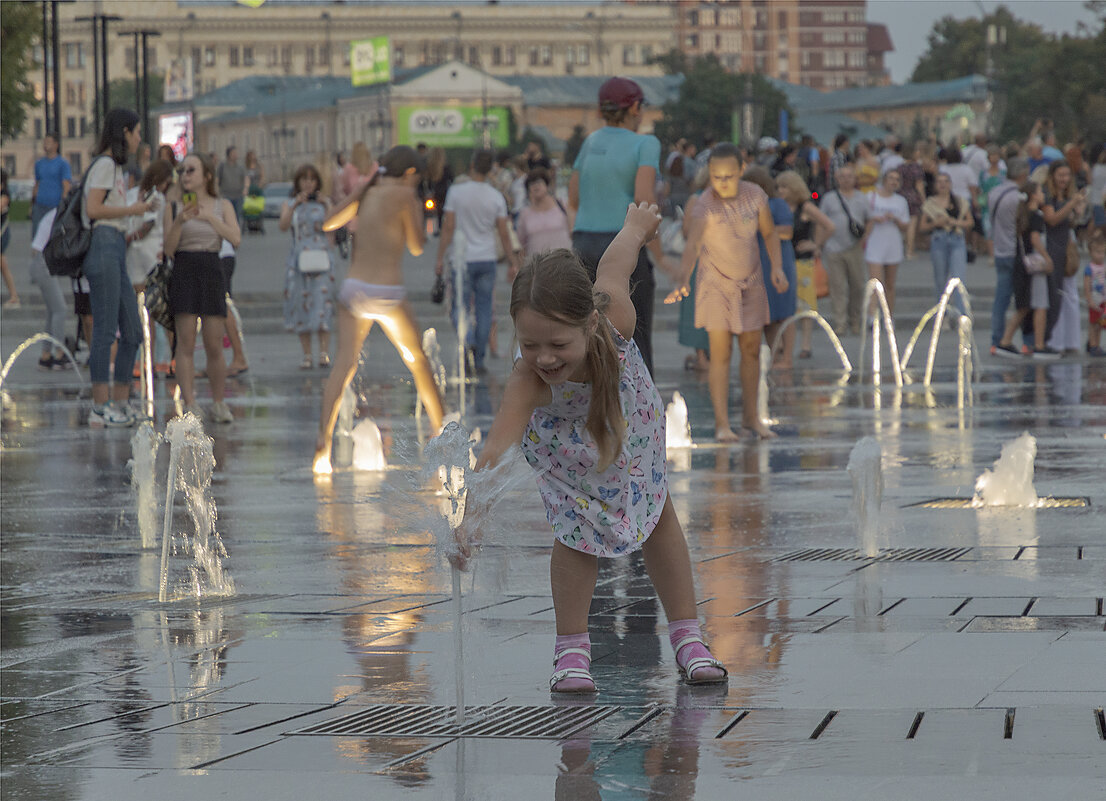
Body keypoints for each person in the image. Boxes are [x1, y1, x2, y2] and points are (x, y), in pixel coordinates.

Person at [453, 202, 727, 693]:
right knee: (574, 531)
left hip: (630, 422)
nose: (543, 357)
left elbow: (614, 263)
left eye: (557, 343)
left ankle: (689, 638)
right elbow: (494, 449)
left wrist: (635, 227)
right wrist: (471, 519)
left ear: (588, 322)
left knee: (658, 513)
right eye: (529, 343)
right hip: (565, 446)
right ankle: (572, 650)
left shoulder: (614, 318)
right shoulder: (528, 378)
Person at [313, 146, 445, 475]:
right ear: (411, 174)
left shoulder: (367, 191)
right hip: (387, 292)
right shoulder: (405, 195)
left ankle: (322, 446)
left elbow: (328, 223)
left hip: (353, 289)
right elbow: (416, 246)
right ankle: (443, 434)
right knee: (418, 362)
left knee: (344, 365)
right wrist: (416, 213)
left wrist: (359, 191)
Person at [667, 145, 785, 441]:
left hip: (752, 282)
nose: (722, 183)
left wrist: (777, 268)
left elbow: (769, 233)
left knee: (751, 350)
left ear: (741, 171)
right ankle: (723, 424)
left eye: (729, 176)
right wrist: (683, 279)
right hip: (716, 285)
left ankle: (751, 419)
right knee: (720, 353)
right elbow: (693, 245)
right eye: (717, 177)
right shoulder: (704, 204)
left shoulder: (756, 196)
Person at [569, 77, 676, 377]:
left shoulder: (590, 142)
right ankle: (640, 416)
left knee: (590, 332)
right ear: (635, 108)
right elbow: (644, 200)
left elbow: (574, 197)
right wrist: (661, 256)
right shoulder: (646, 143)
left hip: (583, 244)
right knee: (633, 336)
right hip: (623, 245)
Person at [83, 109, 159, 427]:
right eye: (137, 132)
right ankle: (99, 408)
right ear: (124, 132)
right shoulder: (104, 164)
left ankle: (122, 402)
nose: (140, 138)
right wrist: (135, 208)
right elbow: (93, 209)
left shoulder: (114, 167)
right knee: (104, 328)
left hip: (115, 246)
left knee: (131, 330)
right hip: (103, 245)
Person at [162, 152, 240, 423]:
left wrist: (210, 218)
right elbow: (169, 250)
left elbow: (236, 238)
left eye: (191, 170)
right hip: (184, 267)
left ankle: (219, 403)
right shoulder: (172, 207)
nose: (185, 175)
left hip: (211, 267)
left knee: (214, 343)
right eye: (183, 170)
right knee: (185, 342)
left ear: (206, 176)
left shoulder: (222, 205)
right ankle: (191, 402)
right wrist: (180, 221)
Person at [435, 149, 518, 375]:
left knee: (458, 306)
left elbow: (449, 227)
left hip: (461, 259)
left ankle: (469, 339)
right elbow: (503, 232)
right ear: (489, 168)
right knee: (483, 309)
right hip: (487, 258)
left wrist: (440, 257)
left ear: (472, 165)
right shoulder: (495, 196)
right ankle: (479, 359)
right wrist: (512, 261)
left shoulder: (456, 192)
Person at [280, 164, 336, 369]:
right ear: (298, 182)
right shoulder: (290, 203)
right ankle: (306, 355)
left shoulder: (324, 203)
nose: (308, 183)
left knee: (323, 305)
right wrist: (295, 205)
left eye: (312, 179)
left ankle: (323, 353)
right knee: (301, 306)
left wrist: (327, 206)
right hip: (298, 259)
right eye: (304, 179)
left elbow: (333, 226)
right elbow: (283, 226)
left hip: (321, 257)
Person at [777, 170, 835, 359]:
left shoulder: (805, 207)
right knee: (784, 304)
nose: (780, 191)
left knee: (806, 304)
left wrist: (816, 244)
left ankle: (806, 345)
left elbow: (829, 225)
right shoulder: (778, 207)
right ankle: (782, 343)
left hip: (802, 259)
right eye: (778, 187)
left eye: (784, 187)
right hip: (783, 258)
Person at [742, 166, 796, 368]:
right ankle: (774, 355)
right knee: (768, 315)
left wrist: (760, 226)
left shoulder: (777, 204)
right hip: (756, 266)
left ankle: (788, 357)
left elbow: (787, 231)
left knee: (785, 312)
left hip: (777, 262)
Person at [995, 181, 1055, 359]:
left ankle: (1006, 341)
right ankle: (1038, 345)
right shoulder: (1035, 215)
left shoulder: (1023, 214)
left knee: (1024, 306)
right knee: (1039, 304)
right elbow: (1035, 239)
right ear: (1033, 195)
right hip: (1034, 264)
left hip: (1022, 264)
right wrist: (1047, 258)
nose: (1043, 194)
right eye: (1040, 191)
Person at [1041, 160, 1088, 349]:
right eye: (1061, 175)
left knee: (1069, 294)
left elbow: (1069, 222)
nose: (1064, 179)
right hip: (1051, 246)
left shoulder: (1068, 195)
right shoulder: (1047, 195)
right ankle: (1054, 340)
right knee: (1055, 294)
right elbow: (1051, 219)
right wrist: (1072, 205)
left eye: (1067, 175)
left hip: (1066, 246)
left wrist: (1078, 212)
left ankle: (1070, 340)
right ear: (1052, 176)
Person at [819, 164, 869, 335]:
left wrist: (864, 240)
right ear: (837, 179)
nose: (846, 179)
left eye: (849, 176)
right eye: (842, 176)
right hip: (833, 248)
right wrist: (819, 244)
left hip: (855, 247)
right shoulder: (829, 198)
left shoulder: (862, 198)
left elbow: (870, 220)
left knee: (857, 286)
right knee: (837, 287)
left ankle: (855, 320)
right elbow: (821, 221)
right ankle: (840, 322)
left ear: (855, 179)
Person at [987, 159, 1031, 354]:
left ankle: (996, 339)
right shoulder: (1018, 197)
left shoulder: (994, 193)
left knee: (1001, 299)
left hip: (999, 250)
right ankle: (1025, 340)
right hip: (1014, 251)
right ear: (1022, 174)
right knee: (1023, 298)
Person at [919, 172, 972, 321]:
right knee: (940, 279)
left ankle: (963, 315)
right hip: (938, 240)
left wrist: (954, 222)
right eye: (939, 182)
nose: (943, 185)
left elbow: (970, 222)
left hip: (956, 239)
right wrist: (935, 223)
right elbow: (922, 227)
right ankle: (942, 315)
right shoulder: (930, 204)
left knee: (958, 278)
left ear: (950, 184)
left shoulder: (959, 201)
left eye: (946, 181)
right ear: (935, 185)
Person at [862, 169, 910, 317]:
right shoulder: (871, 196)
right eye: (891, 178)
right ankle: (872, 315)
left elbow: (905, 225)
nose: (893, 182)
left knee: (890, 284)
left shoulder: (901, 201)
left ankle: (889, 316)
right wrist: (875, 218)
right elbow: (862, 218)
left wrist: (895, 219)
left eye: (897, 179)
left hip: (893, 243)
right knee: (875, 282)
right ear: (884, 180)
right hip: (875, 242)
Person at [28, 206, 69, 369]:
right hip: (42, 263)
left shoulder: (55, 213)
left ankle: (46, 355)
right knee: (60, 309)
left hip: (42, 263)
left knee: (53, 311)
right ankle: (59, 353)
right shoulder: (60, 214)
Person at [515, 169, 571, 258]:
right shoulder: (524, 214)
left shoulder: (563, 205)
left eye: (539, 182)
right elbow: (521, 242)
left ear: (547, 185)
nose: (536, 186)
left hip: (563, 262)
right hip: (537, 265)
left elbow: (572, 231)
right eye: (532, 184)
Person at [31, 132, 72, 234]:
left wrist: (63, 205)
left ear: (56, 145)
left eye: (48, 142)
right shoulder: (39, 164)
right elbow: (37, 183)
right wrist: (33, 203)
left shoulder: (63, 164)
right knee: (38, 236)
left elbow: (66, 185)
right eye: (44, 142)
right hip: (40, 206)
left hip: (55, 206)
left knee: (53, 236)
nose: (45, 144)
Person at [898, 142, 927, 259]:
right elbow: (919, 185)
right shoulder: (916, 167)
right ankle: (909, 250)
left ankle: (903, 247)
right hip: (913, 196)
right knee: (912, 224)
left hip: (901, 195)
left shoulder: (900, 167)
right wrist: (924, 199)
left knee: (903, 224)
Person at [1084, 232, 1106, 357]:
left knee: (1100, 323)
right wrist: (1089, 299)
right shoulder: (1090, 268)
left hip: (1102, 300)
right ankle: (1092, 345)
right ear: (1091, 252)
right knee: (1093, 323)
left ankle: (1097, 345)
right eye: (1098, 252)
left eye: (1103, 252)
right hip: (1094, 299)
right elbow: (1087, 285)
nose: (1100, 255)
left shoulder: (1103, 267)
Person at [217, 146, 247, 229]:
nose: (236, 155)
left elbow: (245, 178)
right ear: (229, 154)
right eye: (234, 153)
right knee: (226, 216)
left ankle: (235, 232)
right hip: (226, 195)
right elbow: (217, 180)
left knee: (237, 216)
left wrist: (245, 188)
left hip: (238, 195)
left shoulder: (240, 167)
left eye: (236, 153)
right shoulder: (222, 166)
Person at [1, 169, 18, 308]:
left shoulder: (4, 194)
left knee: (3, 264)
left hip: (2, 233)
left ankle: (14, 296)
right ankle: (13, 295)